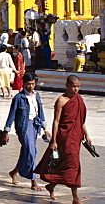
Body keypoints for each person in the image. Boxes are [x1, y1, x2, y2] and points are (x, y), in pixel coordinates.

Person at [37, 74, 93, 204]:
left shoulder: (79, 100)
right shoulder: (61, 100)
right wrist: (54, 140)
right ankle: (75, 197)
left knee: (68, 164)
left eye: (78, 87)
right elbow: (56, 121)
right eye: (73, 86)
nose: (76, 90)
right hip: (64, 138)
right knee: (73, 165)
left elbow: (81, 120)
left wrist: (87, 135)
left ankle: (51, 185)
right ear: (67, 85)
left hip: (76, 137)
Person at [2, 72, 49, 192]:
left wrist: (45, 128)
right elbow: (12, 114)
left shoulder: (36, 96)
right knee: (31, 151)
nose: (31, 86)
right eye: (28, 84)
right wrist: (6, 131)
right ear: (24, 84)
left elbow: (40, 112)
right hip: (23, 127)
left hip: (35, 126)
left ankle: (14, 172)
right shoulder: (18, 98)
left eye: (33, 84)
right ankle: (33, 180)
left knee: (26, 151)